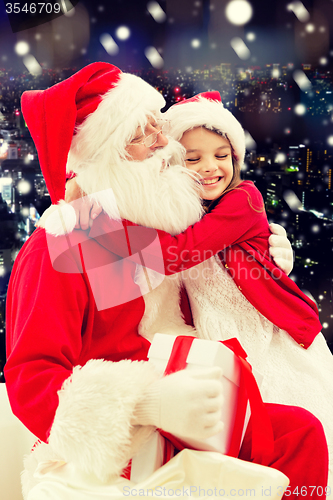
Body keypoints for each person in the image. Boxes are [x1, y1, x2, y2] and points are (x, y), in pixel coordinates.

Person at [4, 63, 328, 499]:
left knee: (300, 433)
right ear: (105, 156)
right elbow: (32, 376)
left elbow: (199, 264)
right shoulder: (63, 245)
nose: (165, 144)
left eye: (158, 125)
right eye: (142, 134)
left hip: (192, 404)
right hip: (122, 440)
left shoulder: (139, 228)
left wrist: (267, 254)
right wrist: (147, 405)